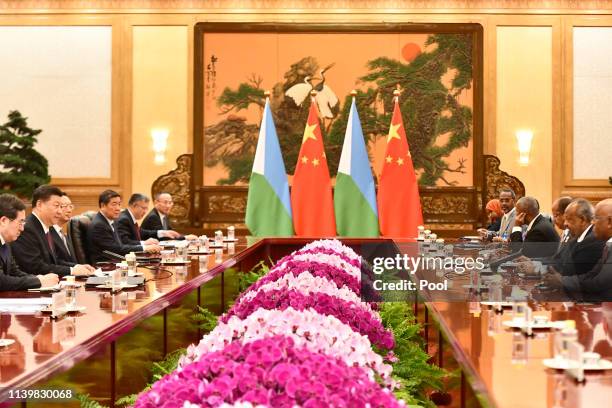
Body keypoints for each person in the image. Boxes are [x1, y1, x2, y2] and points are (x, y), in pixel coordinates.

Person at [11, 185, 93, 277]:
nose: (60, 211)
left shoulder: (47, 227)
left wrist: (77, 267)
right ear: (39, 205)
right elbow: (34, 266)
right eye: (56, 206)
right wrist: (72, 271)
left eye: (61, 207)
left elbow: (55, 261)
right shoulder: (27, 228)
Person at [545, 198, 612, 302]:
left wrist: (562, 281)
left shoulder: (595, 241)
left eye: (596, 218)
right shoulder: (607, 245)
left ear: (609, 222)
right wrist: (561, 280)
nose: (593, 222)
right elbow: (592, 274)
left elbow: (600, 282)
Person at [0, 193, 58, 291]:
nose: (22, 228)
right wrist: (39, 282)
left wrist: (39, 279)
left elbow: (14, 272)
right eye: (20, 222)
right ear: (4, 221)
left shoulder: (6, 242)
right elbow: (2, 281)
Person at [88, 190, 162, 264]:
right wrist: (145, 248)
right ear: (103, 205)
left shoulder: (109, 221)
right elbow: (115, 249)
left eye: (119, 204)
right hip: (105, 266)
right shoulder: (99, 225)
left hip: (115, 262)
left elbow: (120, 245)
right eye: (114, 204)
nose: (118, 208)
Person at [50, 192, 77, 264]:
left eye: (70, 206)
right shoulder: (48, 233)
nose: (69, 210)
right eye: (65, 206)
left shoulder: (63, 234)